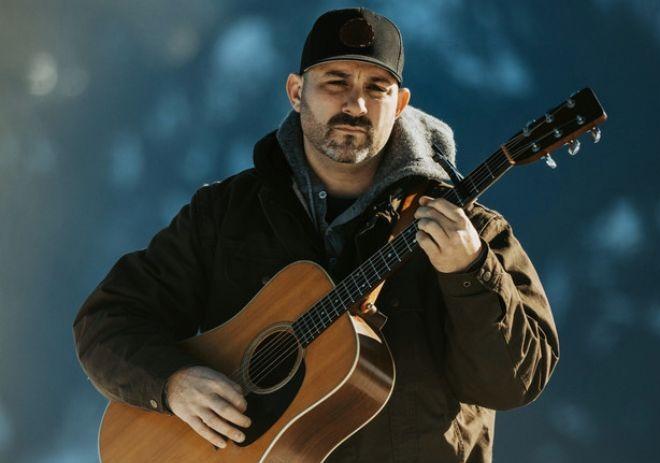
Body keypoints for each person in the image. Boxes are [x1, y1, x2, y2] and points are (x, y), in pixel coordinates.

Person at [73, 7, 559, 463]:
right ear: (295, 91)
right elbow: (108, 320)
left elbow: (515, 383)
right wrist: (172, 382)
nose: (356, 103)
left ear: (401, 104)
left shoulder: (471, 231)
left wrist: (470, 273)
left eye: (377, 87)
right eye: (335, 81)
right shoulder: (226, 214)